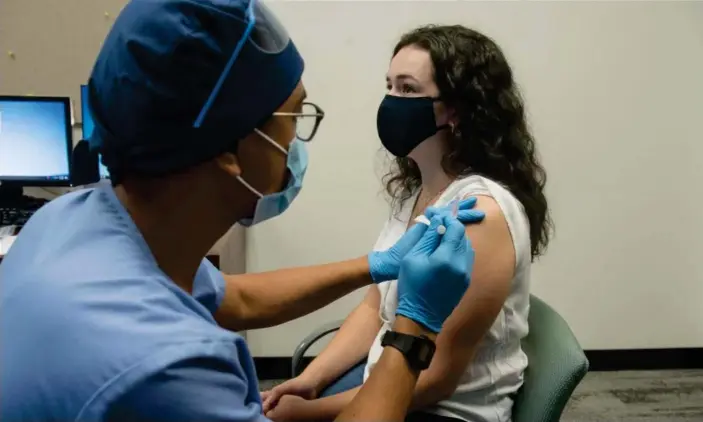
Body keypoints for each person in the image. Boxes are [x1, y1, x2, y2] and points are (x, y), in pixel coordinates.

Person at [0, 2, 486, 422]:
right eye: (293, 117)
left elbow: (236, 299)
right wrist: (414, 326)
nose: (296, 139)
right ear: (230, 149)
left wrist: (376, 266)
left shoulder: (69, 219)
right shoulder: (167, 367)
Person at [262, 25, 553, 422]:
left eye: (408, 89)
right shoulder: (418, 190)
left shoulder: (480, 214)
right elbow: (375, 306)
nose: (391, 101)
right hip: (388, 379)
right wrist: (310, 380)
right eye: (390, 86)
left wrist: (308, 412)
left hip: (443, 410)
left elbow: (436, 379)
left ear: (455, 109)